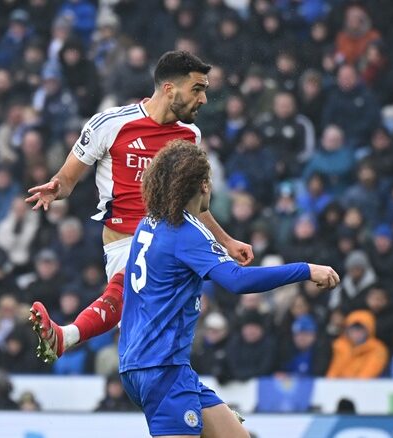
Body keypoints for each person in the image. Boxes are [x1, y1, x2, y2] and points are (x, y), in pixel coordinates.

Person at [26, 51, 254, 363]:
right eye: (197, 89)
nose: (203, 99)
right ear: (170, 89)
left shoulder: (190, 136)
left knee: (168, 339)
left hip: (173, 238)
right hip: (125, 239)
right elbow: (66, 180)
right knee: (132, 289)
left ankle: (205, 407)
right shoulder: (110, 124)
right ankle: (67, 337)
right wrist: (56, 188)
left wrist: (227, 241)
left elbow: (196, 206)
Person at [117, 140, 339, 438]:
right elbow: (237, 280)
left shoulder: (149, 223)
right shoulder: (186, 232)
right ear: (204, 185)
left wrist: (223, 247)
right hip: (163, 369)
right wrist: (306, 269)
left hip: (149, 365)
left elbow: (172, 276)